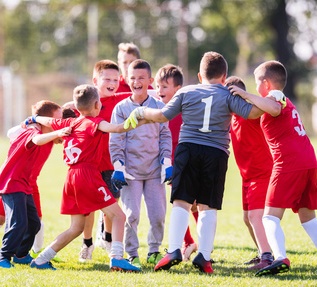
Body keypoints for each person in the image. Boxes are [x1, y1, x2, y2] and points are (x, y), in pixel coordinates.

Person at [124, 51, 264, 274]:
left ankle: (173, 251)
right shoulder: (228, 95)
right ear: (224, 76)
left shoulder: (186, 91)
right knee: (208, 206)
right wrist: (255, 97)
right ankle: (204, 256)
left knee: (181, 202)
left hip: (187, 149)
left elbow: (162, 116)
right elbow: (254, 113)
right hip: (216, 153)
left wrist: (141, 111)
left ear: (200, 76)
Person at [27, 84, 141, 272]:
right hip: (87, 175)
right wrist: (138, 119)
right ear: (97, 104)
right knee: (119, 216)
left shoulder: (69, 123)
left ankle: (40, 260)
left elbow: (47, 120)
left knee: (76, 228)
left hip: (71, 177)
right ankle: (117, 259)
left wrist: (34, 118)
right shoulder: (95, 122)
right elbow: (118, 128)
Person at [228, 60, 317, 276]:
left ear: (266, 83)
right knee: (307, 215)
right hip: (308, 159)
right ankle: (278, 256)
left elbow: (275, 107)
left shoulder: (275, 96)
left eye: (257, 82)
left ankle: (279, 257)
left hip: (289, 163)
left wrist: (245, 94)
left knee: (269, 217)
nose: (255, 87)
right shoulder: (278, 99)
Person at [109, 59, 172, 269]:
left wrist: (167, 162)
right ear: (127, 80)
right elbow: (116, 139)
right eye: (133, 78)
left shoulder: (159, 107)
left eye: (141, 78)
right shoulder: (121, 108)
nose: (137, 82)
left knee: (158, 215)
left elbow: (165, 137)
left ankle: (154, 250)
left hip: (154, 172)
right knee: (131, 215)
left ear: (150, 81)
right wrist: (118, 167)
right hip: (130, 172)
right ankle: (131, 253)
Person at [0, 100, 67, 269]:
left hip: (25, 185)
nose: (59, 123)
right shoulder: (32, 131)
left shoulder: (49, 135)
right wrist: (39, 123)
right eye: (56, 119)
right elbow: (36, 140)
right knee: (18, 223)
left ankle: (21, 255)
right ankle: (3, 256)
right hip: (11, 183)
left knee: (33, 223)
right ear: (44, 120)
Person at [78, 60, 131, 262]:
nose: (112, 83)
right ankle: (87, 242)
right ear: (95, 80)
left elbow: (145, 94)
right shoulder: (85, 103)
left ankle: (108, 239)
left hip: (111, 165)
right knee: (88, 208)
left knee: (111, 205)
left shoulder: (121, 100)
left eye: (115, 79)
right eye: (107, 79)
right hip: (89, 167)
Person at [224, 76, 274, 270]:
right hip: (247, 176)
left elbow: (270, 106)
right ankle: (263, 252)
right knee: (247, 219)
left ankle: (268, 257)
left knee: (255, 217)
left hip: (261, 173)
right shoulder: (232, 118)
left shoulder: (252, 114)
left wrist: (247, 96)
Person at [155, 63, 198, 261]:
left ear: (177, 89)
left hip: (185, 160)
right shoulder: (157, 106)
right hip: (169, 162)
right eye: (158, 86)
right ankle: (188, 241)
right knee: (181, 202)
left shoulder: (185, 107)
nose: (159, 90)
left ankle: (198, 242)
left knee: (193, 204)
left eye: (164, 86)